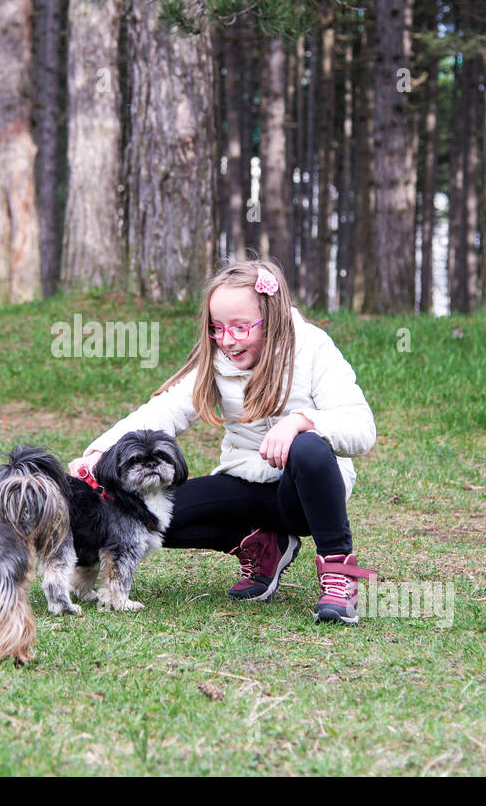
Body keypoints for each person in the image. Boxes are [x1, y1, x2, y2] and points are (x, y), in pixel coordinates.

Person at [68, 259, 377, 624]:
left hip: (307, 496)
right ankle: (263, 546)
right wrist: (99, 451)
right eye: (218, 328)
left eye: (241, 327)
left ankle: (338, 574)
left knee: (308, 446)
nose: (228, 340)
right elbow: (165, 411)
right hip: (247, 483)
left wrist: (301, 422)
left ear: (273, 316)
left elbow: (362, 429)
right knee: (142, 518)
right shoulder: (216, 361)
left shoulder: (313, 348)